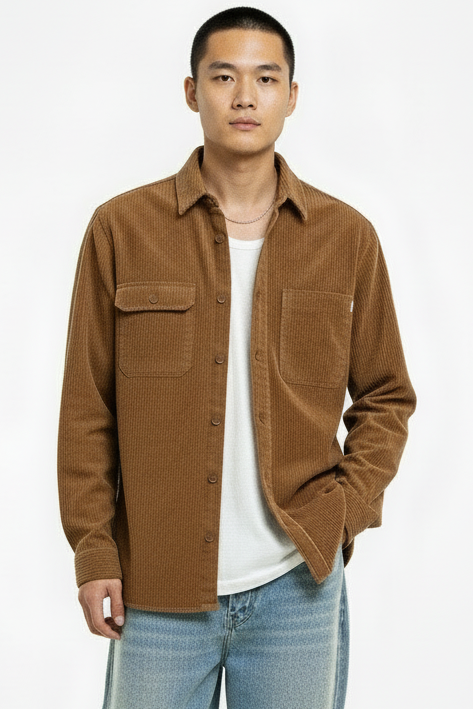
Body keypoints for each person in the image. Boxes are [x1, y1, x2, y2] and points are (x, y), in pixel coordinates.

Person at [57, 7, 417, 709]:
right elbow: (86, 407)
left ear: (292, 95)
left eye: (265, 78)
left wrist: (342, 512)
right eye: (224, 77)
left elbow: (386, 396)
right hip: (154, 587)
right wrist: (93, 549)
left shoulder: (346, 237)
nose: (245, 96)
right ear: (192, 91)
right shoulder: (120, 229)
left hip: (296, 588)